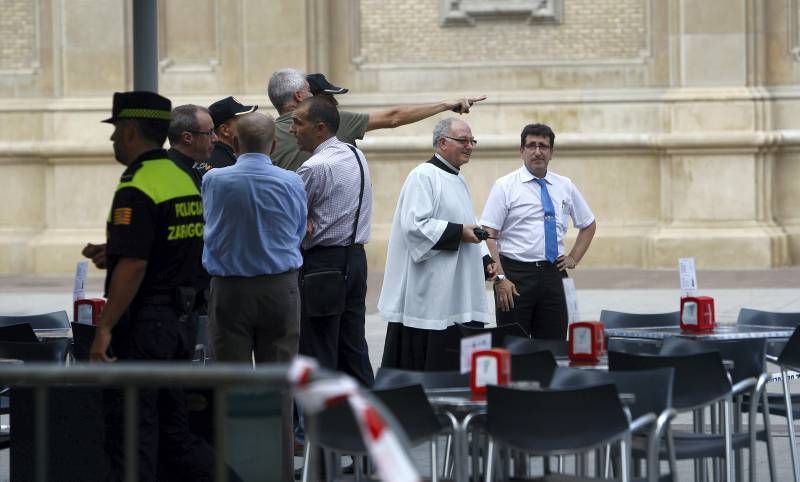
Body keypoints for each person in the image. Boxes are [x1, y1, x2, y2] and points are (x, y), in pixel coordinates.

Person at [88, 91, 215, 481]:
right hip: (176, 324)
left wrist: (104, 328)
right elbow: (169, 243)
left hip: (145, 326)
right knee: (174, 433)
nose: (112, 141)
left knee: (133, 435)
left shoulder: (138, 185)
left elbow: (137, 264)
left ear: (129, 131)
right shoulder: (179, 178)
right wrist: (116, 250)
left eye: (114, 132)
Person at [378, 118, 494, 371]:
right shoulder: (423, 175)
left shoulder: (457, 179)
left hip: (459, 286)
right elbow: (415, 226)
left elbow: (467, 221)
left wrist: (486, 260)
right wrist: (459, 233)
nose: (470, 146)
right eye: (463, 140)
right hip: (432, 289)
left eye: (472, 141)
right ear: (442, 143)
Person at [201, 111, 306, 363]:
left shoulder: (213, 179)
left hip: (230, 289)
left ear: (235, 144)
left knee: (232, 378)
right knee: (278, 376)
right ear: (274, 145)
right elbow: (298, 230)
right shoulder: (292, 181)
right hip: (279, 287)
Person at [480, 123, 597, 339]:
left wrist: (573, 257)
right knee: (513, 344)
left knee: (554, 344)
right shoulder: (505, 186)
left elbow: (588, 224)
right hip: (515, 277)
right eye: (531, 145)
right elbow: (487, 234)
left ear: (551, 152)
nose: (537, 151)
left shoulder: (564, 185)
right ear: (521, 151)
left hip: (554, 273)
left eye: (543, 146)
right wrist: (500, 278)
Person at [291, 96, 374, 386]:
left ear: (320, 128)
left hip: (322, 265)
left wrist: (301, 224)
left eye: (297, 123)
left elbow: (289, 222)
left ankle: (324, 426)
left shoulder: (314, 167)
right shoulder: (354, 154)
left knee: (319, 350)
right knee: (353, 347)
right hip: (355, 260)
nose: (292, 130)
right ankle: (367, 421)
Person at [268, 68, 487, 171]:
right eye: (329, 99)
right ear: (299, 96)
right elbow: (393, 118)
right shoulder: (331, 121)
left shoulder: (265, 135)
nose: (334, 105)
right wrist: (447, 104)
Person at [167, 104, 216, 187]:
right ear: (187, 138)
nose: (215, 139)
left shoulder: (190, 166)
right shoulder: (172, 174)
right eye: (210, 133)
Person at [205, 96, 258, 170]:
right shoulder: (227, 164)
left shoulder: (208, 155)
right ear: (225, 130)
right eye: (244, 122)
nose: (249, 125)